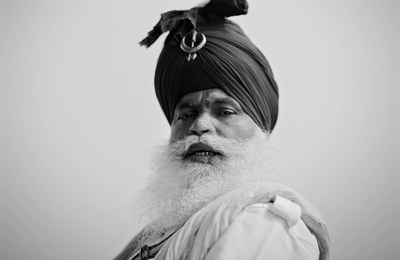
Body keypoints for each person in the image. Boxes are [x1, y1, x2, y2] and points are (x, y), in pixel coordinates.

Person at [115, 0, 330, 259]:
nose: (199, 126)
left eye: (224, 111)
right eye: (186, 114)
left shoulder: (263, 224)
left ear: (260, 129)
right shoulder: (152, 237)